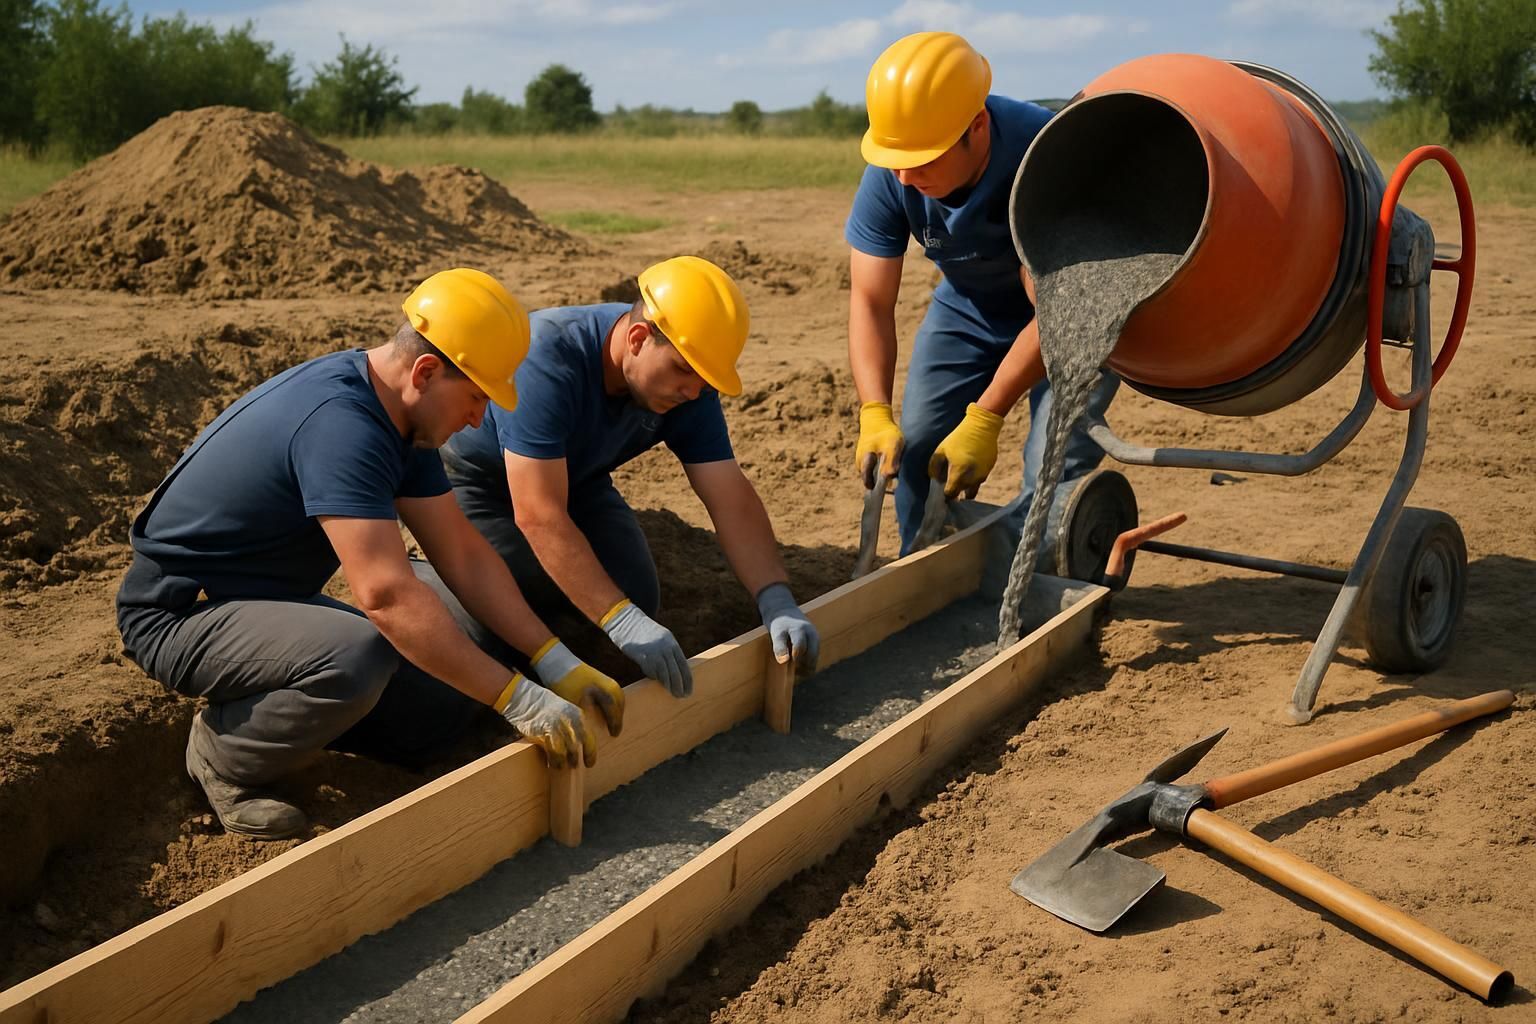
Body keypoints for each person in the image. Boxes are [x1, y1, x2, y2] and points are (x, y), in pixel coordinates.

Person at [116, 268, 624, 841]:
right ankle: (225, 757)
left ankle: (306, 712)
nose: (480, 418)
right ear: (427, 371)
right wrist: (516, 697)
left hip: (261, 598)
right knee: (357, 655)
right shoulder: (343, 427)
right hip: (182, 613)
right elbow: (383, 596)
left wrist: (553, 661)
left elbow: (461, 552)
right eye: (477, 397)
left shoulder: (399, 413)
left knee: (444, 690)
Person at [436, 256, 819, 699]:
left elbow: (728, 494)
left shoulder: (690, 386)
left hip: (579, 479)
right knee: (510, 603)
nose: (693, 391)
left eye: (704, 380)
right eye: (683, 371)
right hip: (481, 483)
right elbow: (539, 513)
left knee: (633, 593)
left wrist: (775, 597)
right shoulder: (547, 359)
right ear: (638, 338)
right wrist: (621, 621)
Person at [846, 31, 1120, 553]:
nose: (904, 176)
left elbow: (1059, 312)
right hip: (969, 306)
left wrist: (987, 415)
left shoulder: (1047, 158)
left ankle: (1040, 596)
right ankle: (922, 570)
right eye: (896, 159)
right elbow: (870, 300)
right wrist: (874, 411)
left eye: (924, 160)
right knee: (921, 441)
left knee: (1050, 467)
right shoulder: (894, 169)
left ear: (977, 126)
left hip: (1073, 316)